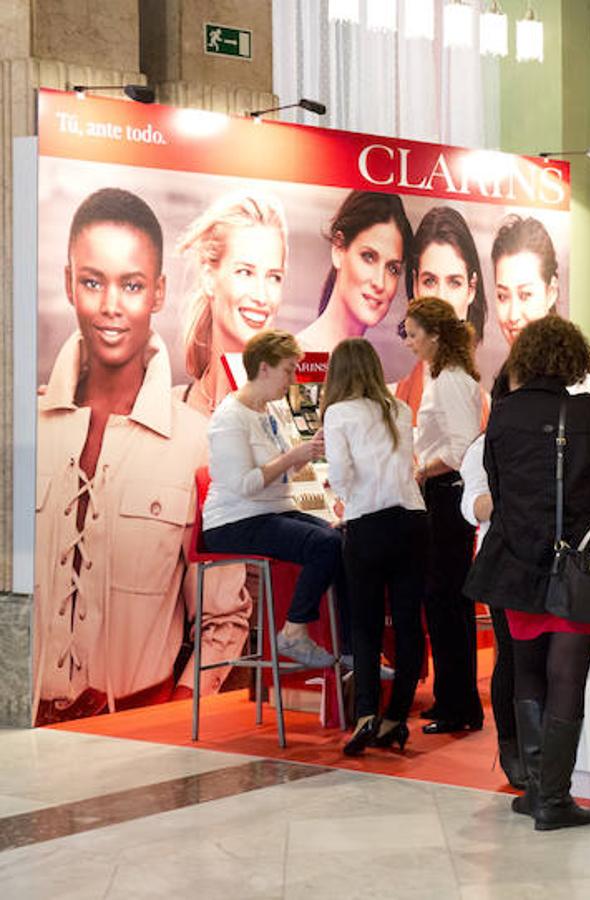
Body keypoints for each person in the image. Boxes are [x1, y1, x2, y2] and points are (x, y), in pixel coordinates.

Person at [33, 187, 250, 725]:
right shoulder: (22, 429)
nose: (111, 306)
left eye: (131, 285)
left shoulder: (197, 442)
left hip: (140, 732)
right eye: (92, 282)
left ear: (157, 293)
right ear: (68, 284)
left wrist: (174, 719)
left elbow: (224, 617)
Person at [468, 315, 590, 831]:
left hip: (514, 563)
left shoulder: (503, 415)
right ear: (574, 358)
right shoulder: (589, 412)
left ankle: (535, 790)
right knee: (567, 677)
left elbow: (498, 487)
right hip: (575, 565)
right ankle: (554, 797)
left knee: (526, 671)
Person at [201, 330, 346, 669]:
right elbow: (245, 484)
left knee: (342, 537)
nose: (293, 379)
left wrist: (306, 456)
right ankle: (294, 632)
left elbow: (283, 477)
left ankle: (352, 648)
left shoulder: (269, 412)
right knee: (324, 544)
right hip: (233, 521)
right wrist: (291, 457)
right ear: (264, 368)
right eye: (288, 370)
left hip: (271, 510)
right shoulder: (229, 418)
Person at [321, 339, 428, 756]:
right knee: (406, 623)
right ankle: (395, 718)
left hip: (368, 522)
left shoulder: (338, 413)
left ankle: (366, 712)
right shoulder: (398, 409)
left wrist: (344, 498)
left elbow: (342, 475)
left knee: (364, 624)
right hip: (413, 521)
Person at [404, 297, 486, 736]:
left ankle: (460, 705)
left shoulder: (450, 381)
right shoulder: (444, 377)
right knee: (446, 601)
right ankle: (452, 699)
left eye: (413, 333)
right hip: (443, 495)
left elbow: (459, 451)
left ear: (434, 335)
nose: (410, 342)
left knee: (447, 600)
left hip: (448, 497)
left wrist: (420, 467)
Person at [458, 364, 527, 790]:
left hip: (544, 562)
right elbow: (473, 506)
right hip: (503, 563)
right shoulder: (483, 447)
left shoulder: (551, 441)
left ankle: (539, 748)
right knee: (514, 658)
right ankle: (512, 747)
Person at [176, 190, 289, 415]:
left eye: (273, 277)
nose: (261, 296)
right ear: (209, 278)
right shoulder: (172, 408)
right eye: (245, 272)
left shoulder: (292, 411)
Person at [395, 206, 488, 425]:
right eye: (430, 281)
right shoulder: (393, 402)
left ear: (471, 289)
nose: (441, 298)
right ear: (415, 286)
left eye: (454, 282)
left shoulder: (490, 407)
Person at [296, 191, 414, 353]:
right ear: (338, 249)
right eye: (368, 257)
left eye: (392, 269)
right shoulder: (307, 359)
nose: (380, 283)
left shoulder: (363, 367)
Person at [491, 214, 560, 351]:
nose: (513, 316)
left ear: (551, 293)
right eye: (502, 296)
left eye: (525, 295)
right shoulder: (508, 371)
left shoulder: (572, 371)